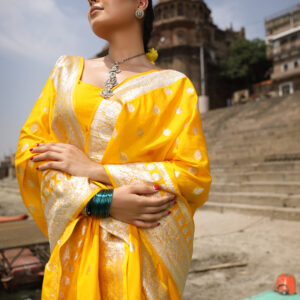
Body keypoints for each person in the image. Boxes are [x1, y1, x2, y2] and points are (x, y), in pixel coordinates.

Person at [14, 0, 212, 299]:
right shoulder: (66, 72)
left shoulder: (175, 87)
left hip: (143, 262)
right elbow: (32, 152)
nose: (92, 0)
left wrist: (99, 171)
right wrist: (101, 201)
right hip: (74, 256)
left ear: (141, 3)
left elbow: (191, 175)